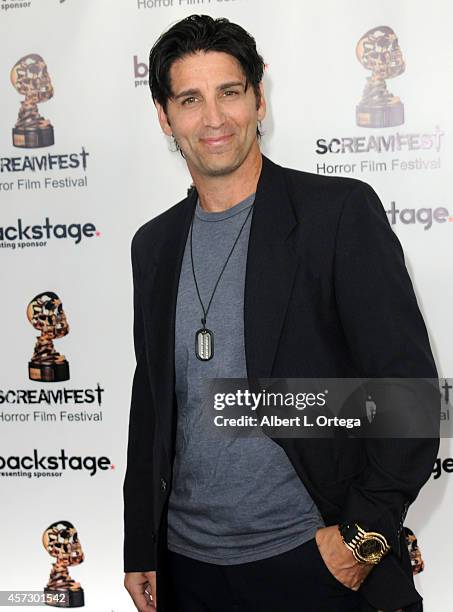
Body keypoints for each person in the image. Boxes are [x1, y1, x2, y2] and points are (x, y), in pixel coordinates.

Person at [123, 14, 439, 612]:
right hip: (187, 570)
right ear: (165, 117)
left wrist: (361, 538)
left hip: (316, 563)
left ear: (259, 99)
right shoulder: (153, 245)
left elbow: (410, 396)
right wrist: (141, 545)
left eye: (230, 92)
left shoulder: (337, 214)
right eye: (190, 99)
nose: (213, 119)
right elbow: (154, 401)